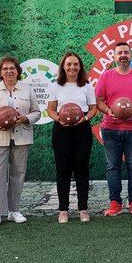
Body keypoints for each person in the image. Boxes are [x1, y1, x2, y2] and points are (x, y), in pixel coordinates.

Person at [0, 56, 40, 228]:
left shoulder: (27, 90)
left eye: (12, 68)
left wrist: (26, 118)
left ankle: (14, 211)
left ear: (18, 71)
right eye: (5, 69)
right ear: (0, 72)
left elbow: (36, 112)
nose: (9, 71)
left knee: (18, 175)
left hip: (22, 137)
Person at [96, 42, 132, 216]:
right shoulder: (106, 76)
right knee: (112, 167)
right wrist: (108, 111)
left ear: (131, 56)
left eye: (126, 53)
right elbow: (98, 101)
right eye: (119, 53)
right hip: (110, 128)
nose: (123, 55)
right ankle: (115, 203)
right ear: (114, 57)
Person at [46, 52, 97, 223]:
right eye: (69, 64)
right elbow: (51, 110)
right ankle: (63, 210)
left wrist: (86, 118)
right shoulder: (56, 86)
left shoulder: (87, 86)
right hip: (62, 130)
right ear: (63, 67)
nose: (72, 67)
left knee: (82, 170)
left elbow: (93, 108)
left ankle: (83, 209)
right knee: (63, 170)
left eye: (75, 64)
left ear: (80, 67)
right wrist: (59, 119)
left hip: (82, 128)